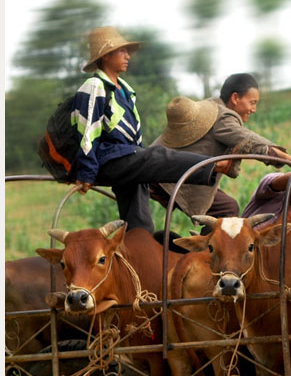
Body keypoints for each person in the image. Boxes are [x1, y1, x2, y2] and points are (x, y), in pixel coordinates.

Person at [71, 26, 230, 232]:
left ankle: (138, 251)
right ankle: (209, 165)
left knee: (140, 225)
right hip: (108, 159)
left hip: (129, 160)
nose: (128, 56)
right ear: (107, 56)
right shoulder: (94, 86)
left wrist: (142, 168)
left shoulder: (125, 91)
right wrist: (87, 173)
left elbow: (134, 137)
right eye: (122, 51)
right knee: (156, 156)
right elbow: (87, 132)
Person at [150, 74, 291, 228]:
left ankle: (208, 247)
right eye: (252, 103)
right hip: (165, 178)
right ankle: (210, 251)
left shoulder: (210, 105)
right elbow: (248, 140)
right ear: (235, 98)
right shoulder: (221, 116)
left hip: (157, 168)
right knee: (227, 209)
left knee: (226, 206)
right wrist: (289, 159)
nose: (254, 110)